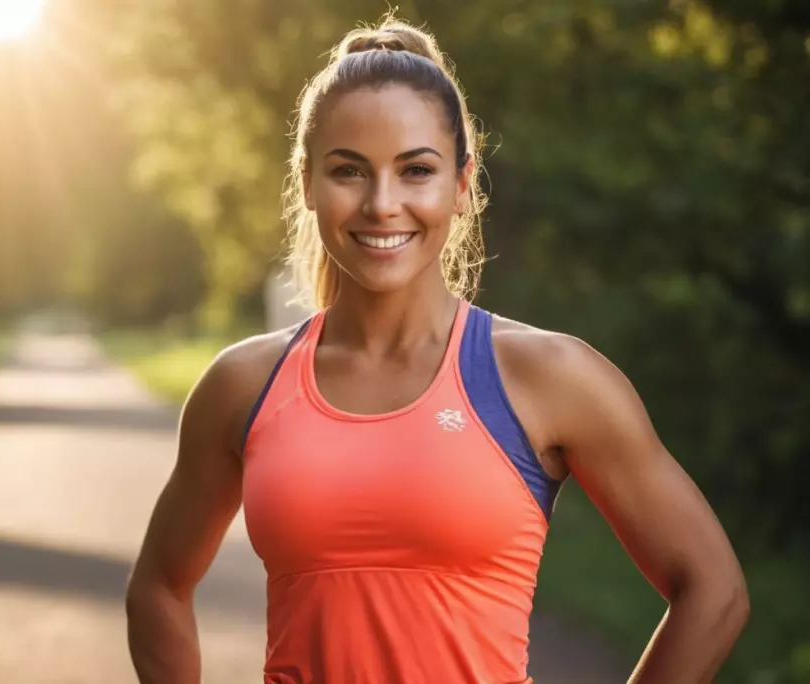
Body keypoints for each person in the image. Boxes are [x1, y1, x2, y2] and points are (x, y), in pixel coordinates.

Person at [125, 14, 749, 684]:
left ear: (460, 185)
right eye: (349, 172)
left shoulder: (549, 377)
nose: (382, 204)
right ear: (307, 183)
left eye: (415, 170)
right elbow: (159, 586)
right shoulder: (243, 385)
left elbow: (713, 591)